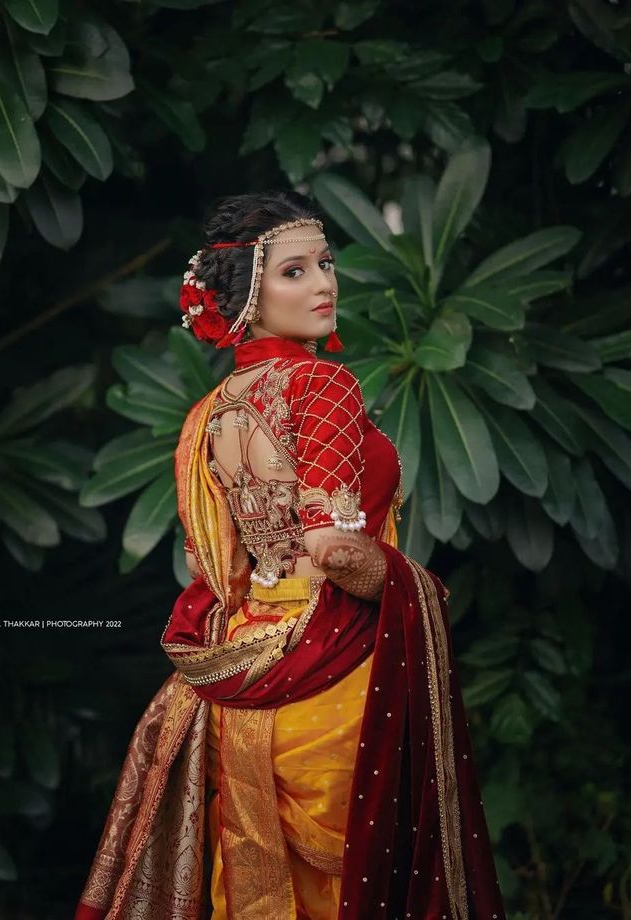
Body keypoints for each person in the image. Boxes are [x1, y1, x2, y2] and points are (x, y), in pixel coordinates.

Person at [74, 190, 506, 920]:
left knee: (258, 890)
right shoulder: (323, 384)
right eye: (295, 272)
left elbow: (210, 569)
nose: (324, 284)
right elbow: (334, 549)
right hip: (332, 677)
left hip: (243, 678)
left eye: (326, 264)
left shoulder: (207, 415)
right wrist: (420, 590)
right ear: (246, 295)